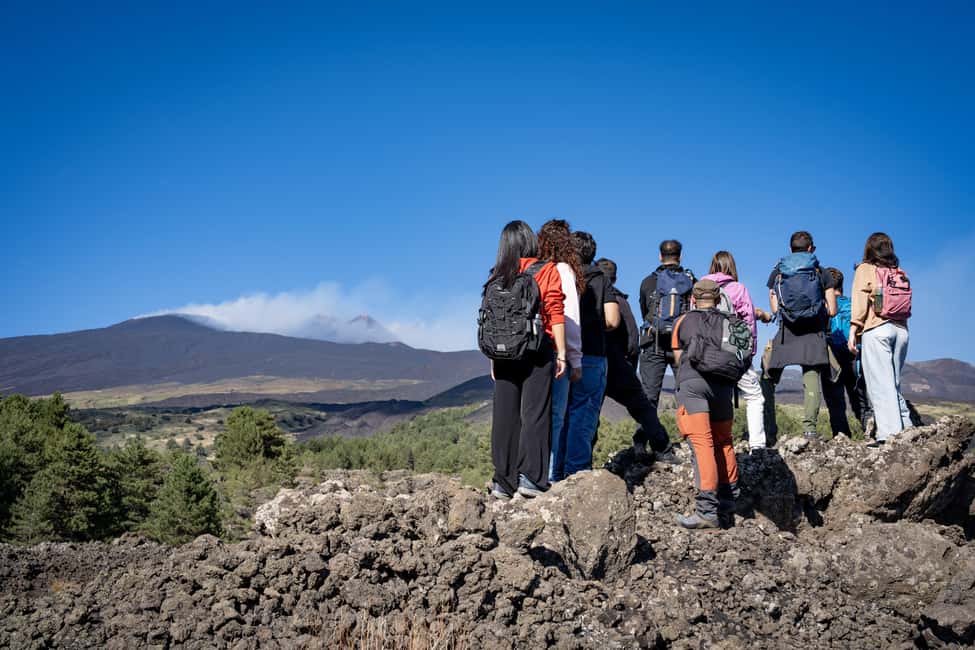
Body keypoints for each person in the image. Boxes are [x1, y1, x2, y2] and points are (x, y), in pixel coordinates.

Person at [485, 221, 568, 498]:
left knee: (504, 416)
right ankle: (531, 480)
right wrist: (563, 354)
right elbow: (555, 312)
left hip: (503, 352)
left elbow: (492, 321)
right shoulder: (546, 270)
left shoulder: (496, 275)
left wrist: (493, 360)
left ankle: (502, 482)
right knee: (535, 413)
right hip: (537, 349)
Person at [595, 258, 680, 464]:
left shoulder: (588, 298)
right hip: (617, 365)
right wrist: (629, 367)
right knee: (642, 407)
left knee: (586, 415)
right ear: (614, 278)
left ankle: (577, 465)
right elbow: (633, 341)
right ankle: (662, 449)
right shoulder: (619, 302)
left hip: (590, 363)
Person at [672, 279, 740, 529]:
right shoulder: (729, 321)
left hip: (694, 385)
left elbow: (679, 358)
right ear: (718, 297)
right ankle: (730, 500)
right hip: (724, 386)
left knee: (702, 445)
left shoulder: (684, 321)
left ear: (693, 298)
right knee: (724, 441)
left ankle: (707, 512)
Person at [761, 231, 838, 442]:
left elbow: (776, 307)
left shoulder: (778, 272)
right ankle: (810, 430)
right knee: (811, 378)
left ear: (790, 249)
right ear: (811, 248)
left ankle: (768, 432)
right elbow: (832, 310)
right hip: (814, 332)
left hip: (787, 332)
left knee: (767, 376)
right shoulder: (820, 271)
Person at [556, 231, 619, 479]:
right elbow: (613, 320)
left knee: (560, 415)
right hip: (592, 353)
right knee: (583, 415)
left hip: (562, 353)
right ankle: (577, 474)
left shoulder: (560, 274)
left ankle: (554, 474)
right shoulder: (599, 277)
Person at [849, 232, 912, 447]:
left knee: (879, 384)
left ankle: (888, 435)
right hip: (901, 330)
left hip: (877, 329)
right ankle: (907, 427)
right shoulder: (898, 271)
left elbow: (859, 302)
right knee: (893, 383)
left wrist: (853, 331)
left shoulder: (865, 269)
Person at [701, 251, 768, 451]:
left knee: (712, 397)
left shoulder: (701, 288)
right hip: (734, 353)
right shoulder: (738, 289)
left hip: (708, 352)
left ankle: (710, 443)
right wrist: (750, 353)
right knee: (755, 396)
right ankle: (757, 445)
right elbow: (749, 324)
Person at [539, 220, 585, 483]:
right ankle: (549, 478)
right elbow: (569, 318)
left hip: (533, 352)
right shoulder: (563, 271)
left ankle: (530, 474)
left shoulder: (534, 269)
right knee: (556, 417)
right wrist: (574, 358)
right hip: (557, 354)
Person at [638, 240, 696, 444]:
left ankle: (643, 443)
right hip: (681, 344)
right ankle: (691, 441)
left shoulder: (648, 282)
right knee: (687, 394)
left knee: (648, 396)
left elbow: (645, 311)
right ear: (679, 256)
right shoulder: (690, 281)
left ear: (660, 256)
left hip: (653, 342)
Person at [821, 267, 869, 437]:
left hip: (831, 359)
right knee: (861, 403)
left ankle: (842, 440)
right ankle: (874, 434)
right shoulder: (854, 306)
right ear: (841, 286)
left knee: (835, 404)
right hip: (855, 358)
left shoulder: (823, 308)